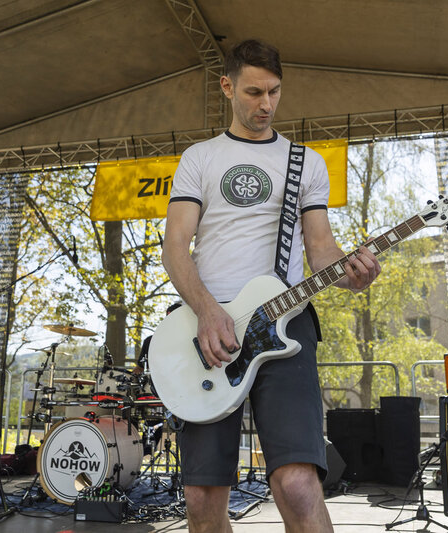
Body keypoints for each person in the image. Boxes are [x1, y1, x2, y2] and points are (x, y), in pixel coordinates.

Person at [162, 39, 381, 533]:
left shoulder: (306, 162)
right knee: (201, 498)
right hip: (207, 329)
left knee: (298, 484)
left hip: (286, 324)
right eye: (254, 92)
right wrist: (208, 311)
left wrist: (352, 274)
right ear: (227, 87)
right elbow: (175, 247)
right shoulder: (200, 158)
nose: (266, 104)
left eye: (274, 92)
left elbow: (321, 250)